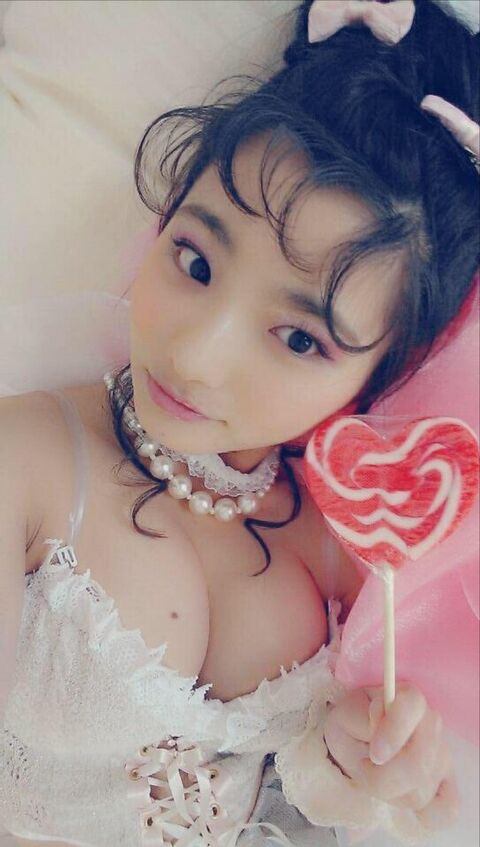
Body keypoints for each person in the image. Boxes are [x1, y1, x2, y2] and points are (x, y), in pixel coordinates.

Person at [0, 0, 478, 845]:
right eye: (195, 261)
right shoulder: (26, 462)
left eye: (298, 338)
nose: (197, 355)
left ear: (383, 372)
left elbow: (308, 802)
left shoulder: (349, 556)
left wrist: (355, 764)